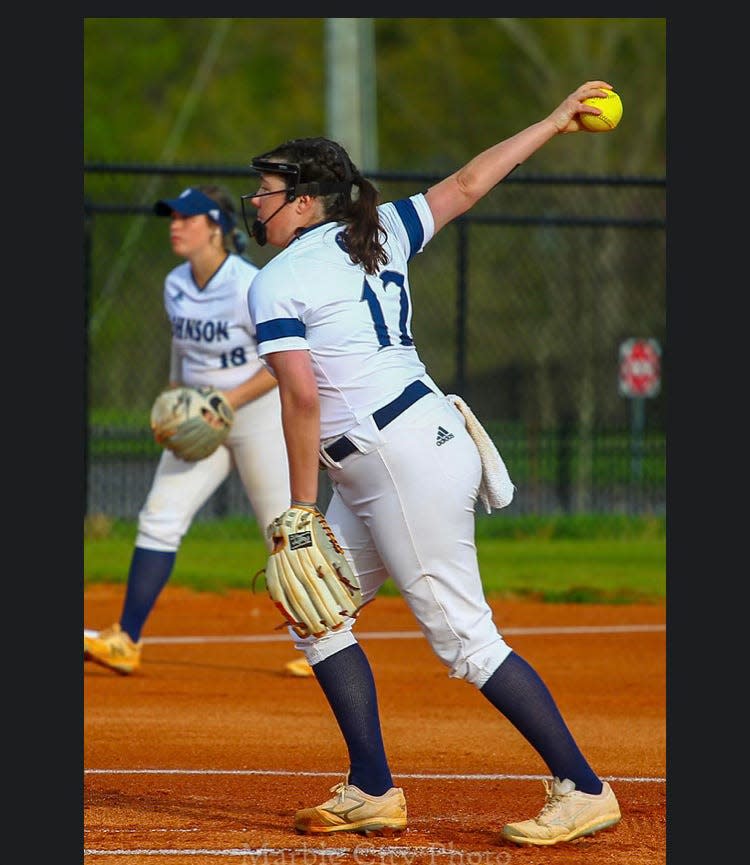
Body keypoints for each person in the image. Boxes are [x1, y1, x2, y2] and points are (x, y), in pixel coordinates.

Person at [241, 81, 623, 846]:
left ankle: (583, 786)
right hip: (406, 445)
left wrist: (300, 511)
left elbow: (301, 401)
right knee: (316, 611)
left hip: (398, 461)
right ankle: (373, 788)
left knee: (466, 639)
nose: (256, 201)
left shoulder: (277, 279)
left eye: (269, 191)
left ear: (307, 204)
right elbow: (471, 182)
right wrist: (550, 121)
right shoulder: (380, 226)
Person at [84, 184, 313, 679]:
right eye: (172, 217)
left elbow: (280, 363)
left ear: (215, 228)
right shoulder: (174, 284)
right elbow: (181, 352)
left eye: (187, 218)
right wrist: (172, 403)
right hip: (199, 419)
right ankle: (126, 639)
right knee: (159, 518)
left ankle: (321, 644)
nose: (175, 225)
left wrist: (224, 401)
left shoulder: (249, 285)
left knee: (282, 530)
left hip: (254, 414)